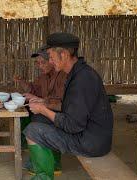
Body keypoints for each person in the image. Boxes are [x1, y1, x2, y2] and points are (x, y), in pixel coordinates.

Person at [24, 32, 113, 179]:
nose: (50, 62)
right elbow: (69, 106)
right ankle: (52, 164)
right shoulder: (79, 73)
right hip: (91, 134)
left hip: (91, 142)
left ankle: (43, 177)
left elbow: (72, 125)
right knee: (39, 119)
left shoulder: (81, 80)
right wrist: (44, 103)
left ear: (64, 54)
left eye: (51, 57)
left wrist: (43, 109)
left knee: (32, 130)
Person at [14, 48, 67, 176]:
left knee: (37, 120)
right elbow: (33, 89)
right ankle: (35, 153)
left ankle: (54, 163)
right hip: (48, 110)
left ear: (51, 61)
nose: (39, 66)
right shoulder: (43, 77)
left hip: (61, 115)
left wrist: (42, 101)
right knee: (26, 110)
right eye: (37, 63)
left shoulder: (62, 76)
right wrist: (21, 82)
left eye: (42, 62)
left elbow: (63, 103)